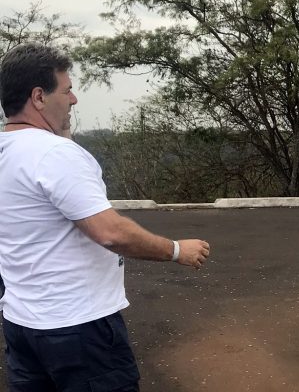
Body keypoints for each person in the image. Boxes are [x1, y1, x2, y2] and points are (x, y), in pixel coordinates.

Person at [0, 43, 211, 392]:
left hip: (21, 325)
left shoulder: (10, 151)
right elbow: (111, 232)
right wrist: (177, 250)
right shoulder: (55, 155)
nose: (73, 100)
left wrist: (60, 136)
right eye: (66, 90)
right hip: (79, 329)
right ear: (38, 97)